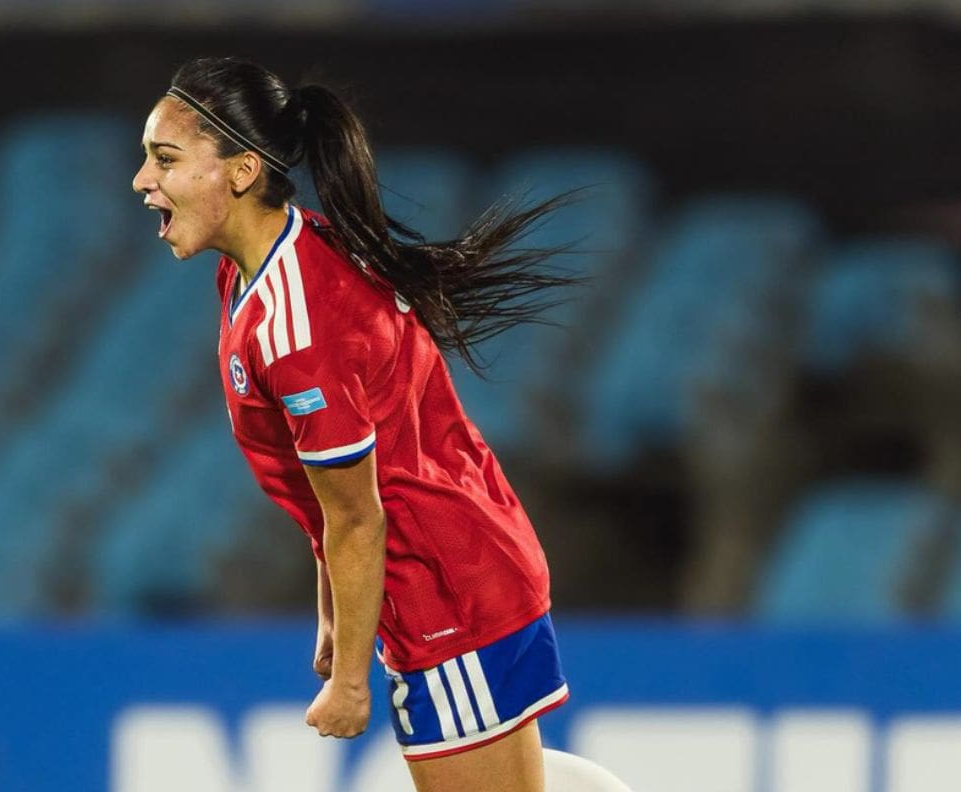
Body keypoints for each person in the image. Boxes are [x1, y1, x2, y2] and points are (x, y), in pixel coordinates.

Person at [131, 56, 627, 792]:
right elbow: (331, 491)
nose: (142, 181)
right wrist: (336, 614)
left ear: (239, 173)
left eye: (164, 159)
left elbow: (358, 517)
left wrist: (353, 683)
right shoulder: (271, 261)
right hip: (448, 571)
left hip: (445, 595)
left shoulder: (297, 330)